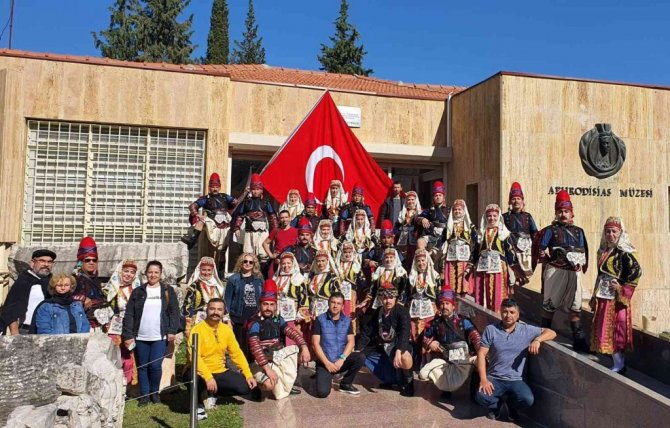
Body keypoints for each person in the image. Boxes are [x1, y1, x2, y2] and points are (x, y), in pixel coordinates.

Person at [476, 299, 556, 421]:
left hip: (516, 379)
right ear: (500, 312)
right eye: (505, 312)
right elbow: (481, 354)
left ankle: (511, 406)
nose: (508, 315)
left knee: (527, 399)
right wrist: (483, 380)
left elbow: (552, 333)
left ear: (518, 315)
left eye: (512, 312)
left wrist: (537, 340)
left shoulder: (526, 330)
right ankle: (495, 406)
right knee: (481, 397)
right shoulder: (491, 330)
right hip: (495, 377)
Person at [534, 190, 590, 352]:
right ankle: (543, 336)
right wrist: (545, 256)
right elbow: (541, 249)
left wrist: (581, 263)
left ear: (572, 213)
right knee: (549, 305)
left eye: (566, 211)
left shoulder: (579, 231)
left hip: (574, 272)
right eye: (560, 211)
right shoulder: (550, 230)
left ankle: (579, 341)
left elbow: (583, 249)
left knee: (576, 307)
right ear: (556, 213)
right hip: (556, 271)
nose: (563, 214)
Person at [184, 298, 257, 421]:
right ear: (207, 310)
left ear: (223, 312)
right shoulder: (197, 329)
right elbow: (194, 357)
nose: (215, 312)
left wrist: (248, 374)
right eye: (212, 309)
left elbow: (236, 353)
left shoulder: (226, 330)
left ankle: (211, 394)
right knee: (192, 378)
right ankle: (198, 405)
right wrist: (208, 377)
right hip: (197, 371)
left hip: (219, 370)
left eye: (219, 309)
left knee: (245, 387)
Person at [122, 260, 180, 406]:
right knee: (142, 366)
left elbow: (174, 312)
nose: (153, 275)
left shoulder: (167, 291)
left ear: (160, 274)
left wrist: (172, 330)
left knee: (155, 366)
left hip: (159, 336)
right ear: (146, 273)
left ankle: (155, 393)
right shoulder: (138, 292)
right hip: (140, 336)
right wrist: (128, 335)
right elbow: (129, 314)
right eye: (150, 272)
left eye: (156, 272)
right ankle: (144, 395)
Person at [589, 217, 641, 373]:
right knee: (605, 328)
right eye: (608, 232)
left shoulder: (625, 252)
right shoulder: (604, 251)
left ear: (620, 233)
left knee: (616, 328)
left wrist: (621, 287)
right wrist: (594, 295)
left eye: (614, 231)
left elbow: (636, 273)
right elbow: (600, 275)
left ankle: (619, 364)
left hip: (616, 298)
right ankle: (618, 362)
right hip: (604, 295)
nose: (610, 235)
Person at [247, 280, 311, 400]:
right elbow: (255, 348)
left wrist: (304, 346)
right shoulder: (254, 322)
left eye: (272, 305)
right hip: (260, 362)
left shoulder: (277, 319)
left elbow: (291, 332)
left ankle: (287, 384)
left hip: (276, 357)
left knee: (300, 352)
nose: (268, 308)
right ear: (260, 305)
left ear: (276, 306)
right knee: (269, 384)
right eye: (265, 304)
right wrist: (268, 370)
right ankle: (256, 386)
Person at [356, 282, 414, 396]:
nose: (388, 301)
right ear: (381, 298)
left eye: (391, 298)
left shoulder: (402, 311)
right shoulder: (378, 312)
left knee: (405, 355)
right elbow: (367, 332)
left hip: (398, 345)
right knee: (361, 355)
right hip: (382, 346)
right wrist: (357, 349)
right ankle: (389, 379)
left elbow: (405, 332)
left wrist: (399, 350)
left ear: (395, 298)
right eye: (385, 298)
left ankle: (408, 383)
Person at [419, 288, 481, 396]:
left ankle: (475, 391)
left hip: (464, 360)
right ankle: (446, 389)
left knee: (481, 361)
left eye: (447, 303)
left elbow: (476, 338)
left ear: (453, 306)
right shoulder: (435, 323)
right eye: (442, 304)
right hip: (445, 360)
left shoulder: (464, 321)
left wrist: (480, 352)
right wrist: (430, 343)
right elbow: (424, 337)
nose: (444, 306)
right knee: (423, 374)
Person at [181, 173, 238, 276]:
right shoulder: (205, 199)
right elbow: (193, 206)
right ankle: (192, 239)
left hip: (224, 227)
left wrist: (244, 194)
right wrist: (198, 215)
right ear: (209, 187)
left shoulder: (225, 197)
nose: (215, 189)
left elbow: (236, 203)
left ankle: (221, 275)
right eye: (212, 187)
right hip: (211, 227)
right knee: (208, 252)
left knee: (222, 253)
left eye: (216, 187)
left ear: (219, 187)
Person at [312, 292, 366, 397]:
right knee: (322, 393)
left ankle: (345, 384)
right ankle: (323, 376)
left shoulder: (347, 321)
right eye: (333, 302)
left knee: (360, 357)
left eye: (338, 303)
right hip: (325, 362)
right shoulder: (320, 320)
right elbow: (315, 344)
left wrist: (342, 359)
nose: (335, 306)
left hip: (340, 361)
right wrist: (327, 363)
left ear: (342, 306)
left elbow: (351, 342)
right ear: (328, 303)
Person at [472, 204, 518, 313]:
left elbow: (510, 251)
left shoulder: (504, 233)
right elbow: (475, 251)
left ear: (498, 217)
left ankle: (497, 315)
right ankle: (482, 315)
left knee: (497, 291)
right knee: (482, 291)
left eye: (494, 216)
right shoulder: (481, 233)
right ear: (485, 217)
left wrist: (514, 268)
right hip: (482, 267)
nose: (492, 218)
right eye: (489, 216)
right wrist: (470, 265)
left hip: (498, 267)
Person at [0, 248, 55, 335]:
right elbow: (11, 309)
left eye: (50, 262)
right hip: (26, 330)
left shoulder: (54, 283)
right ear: (32, 263)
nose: (46, 264)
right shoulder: (23, 281)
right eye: (42, 261)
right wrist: (15, 333)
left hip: (51, 330)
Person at [104, 259, 141, 386]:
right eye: (126, 271)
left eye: (132, 272)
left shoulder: (138, 291)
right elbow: (105, 308)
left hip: (132, 327)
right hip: (114, 327)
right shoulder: (110, 290)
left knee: (130, 357)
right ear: (120, 272)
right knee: (115, 356)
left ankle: (129, 385)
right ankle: (113, 384)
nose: (128, 274)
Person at [224, 253, 264, 362]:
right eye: (245, 261)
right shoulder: (233, 279)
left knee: (253, 344)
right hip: (238, 317)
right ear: (241, 263)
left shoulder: (259, 279)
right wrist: (227, 319)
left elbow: (262, 297)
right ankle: (241, 368)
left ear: (254, 264)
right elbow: (227, 300)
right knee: (239, 346)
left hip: (254, 317)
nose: (247, 264)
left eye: (251, 262)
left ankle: (252, 367)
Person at [233, 173, 278, 269]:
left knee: (263, 255)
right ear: (251, 190)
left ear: (261, 190)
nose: (256, 191)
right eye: (254, 189)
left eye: (258, 189)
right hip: (249, 233)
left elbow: (273, 216)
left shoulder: (266, 202)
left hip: (262, 233)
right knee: (248, 255)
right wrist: (237, 228)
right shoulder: (246, 202)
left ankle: (262, 275)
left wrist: (275, 230)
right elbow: (240, 216)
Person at [182, 257, 228, 338]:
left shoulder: (217, 287)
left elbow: (223, 304)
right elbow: (187, 305)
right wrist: (188, 323)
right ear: (199, 270)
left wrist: (227, 320)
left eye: (209, 270)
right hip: (199, 321)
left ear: (213, 271)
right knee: (198, 342)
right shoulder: (194, 286)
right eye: (204, 270)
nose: (206, 273)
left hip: (216, 320)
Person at [502, 182, 539, 285]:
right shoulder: (504, 217)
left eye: (518, 198)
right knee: (511, 279)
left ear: (522, 201)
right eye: (513, 199)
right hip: (511, 252)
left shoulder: (528, 217)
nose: (516, 201)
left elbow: (535, 233)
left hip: (526, 253)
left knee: (525, 279)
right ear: (509, 201)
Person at [72, 236, 111, 331]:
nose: (91, 262)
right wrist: (82, 298)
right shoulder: (74, 280)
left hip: (102, 325)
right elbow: (65, 297)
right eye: (87, 260)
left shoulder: (97, 280)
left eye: (94, 260)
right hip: (85, 326)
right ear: (81, 262)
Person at [272, 252, 310, 345]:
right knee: (278, 337)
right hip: (278, 312)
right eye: (283, 263)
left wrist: (301, 314)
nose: (286, 266)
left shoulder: (299, 279)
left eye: (288, 263)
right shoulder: (276, 278)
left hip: (292, 313)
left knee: (291, 337)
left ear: (293, 264)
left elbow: (304, 297)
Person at [442, 199, 477, 298]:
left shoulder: (469, 225)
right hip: (452, 253)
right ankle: (451, 295)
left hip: (464, 253)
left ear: (464, 211)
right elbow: (443, 238)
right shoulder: (449, 224)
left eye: (459, 209)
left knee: (463, 274)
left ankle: (464, 295)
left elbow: (476, 240)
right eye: (455, 210)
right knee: (451, 274)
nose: (457, 211)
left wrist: (474, 253)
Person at [407, 249, 440, 347]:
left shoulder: (434, 276)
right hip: (415, 309)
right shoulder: (412, 277)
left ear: (427, 261)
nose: (421, 263)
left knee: (429, 332)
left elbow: (438, 293)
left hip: (430, 309)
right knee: (414, 333)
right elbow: (407, 294)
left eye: (423, 260)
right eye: (418, 261)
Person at [362, 248, 409, 312]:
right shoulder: (380, 270)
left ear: (395, 258)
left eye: (391, 257)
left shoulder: (401, 271)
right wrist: (368, 298)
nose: (389, 260)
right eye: (387, 257)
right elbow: (374, 287)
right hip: (380, 302)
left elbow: (404, 289)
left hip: (394, 302)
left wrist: (400, 302)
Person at [336, 241, 366, 328]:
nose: (348, 255)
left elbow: (362, 280)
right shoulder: (337, 265)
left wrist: (366, 292)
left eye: (350, 252)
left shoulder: (355, 266)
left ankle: (350, 333)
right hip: (338, 293)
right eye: (345, 252)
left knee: (349, 313)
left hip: (351, 293)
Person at [416, 181, 450, 254]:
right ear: (433, 198)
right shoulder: (429, 210)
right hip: (432, 236)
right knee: (420, 242)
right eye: (436, 195)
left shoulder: (449, 210)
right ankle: (424, 259)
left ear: (443, 197)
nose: (438, 197)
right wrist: (423, 219)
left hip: (445, 236)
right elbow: (417, 218)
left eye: (440, 195)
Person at [262, 209, 298, 278]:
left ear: (290, 218)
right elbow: (265, 243)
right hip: (277, 261)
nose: (284, 219)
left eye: (286, 217)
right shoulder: (276, 230)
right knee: (273, 279)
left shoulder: (296, 231)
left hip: (290, 262)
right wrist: (271, 255)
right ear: (279, 219)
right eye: (282, 218)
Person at [307, 250, 342, 319]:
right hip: (313, 309)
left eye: (323, 261)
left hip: (326, 308)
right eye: (318, 261)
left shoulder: (332, 276)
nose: (321, 263)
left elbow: (337, 295)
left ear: (327, 261)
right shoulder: (312, 276)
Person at [395, 190, 421, 271]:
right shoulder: (402, 213)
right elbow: (396, 228)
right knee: (404, 259)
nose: (410, 201)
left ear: (416, 201)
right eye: (409, 200)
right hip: (403, 241)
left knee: (414, 258)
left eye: (412, 199)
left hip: (414, 239)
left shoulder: (420, 213)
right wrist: (399, 232)